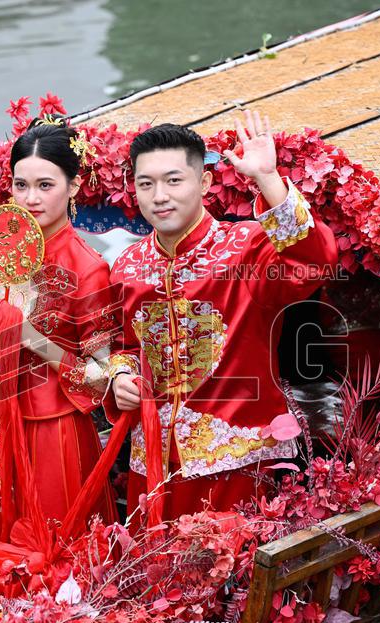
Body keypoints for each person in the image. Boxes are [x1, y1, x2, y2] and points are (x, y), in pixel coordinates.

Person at [106, 110, 339, 520]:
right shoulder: (127, 267)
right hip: (156, 465)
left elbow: (314, 261)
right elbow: (124, 345)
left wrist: (268, 178)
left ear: (205, 182)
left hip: (241, 462)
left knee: (235, 577)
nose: (159, 195)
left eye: (173, 180)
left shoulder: (245, 248)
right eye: (146, 184)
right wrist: (121, 376)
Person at [0, 118, 119, 572]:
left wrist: (33, 340)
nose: (31, 198)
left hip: (57, 430)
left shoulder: (88, 269)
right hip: (1, 423)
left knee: (55, 550)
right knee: (2, 534)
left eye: (45, 185)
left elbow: (101, 377)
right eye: (22, 185)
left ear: (74, 187)